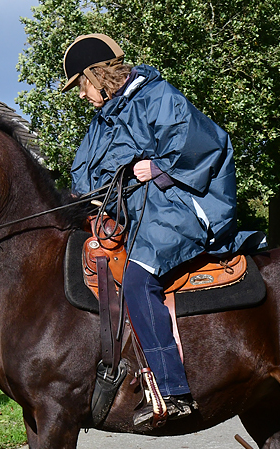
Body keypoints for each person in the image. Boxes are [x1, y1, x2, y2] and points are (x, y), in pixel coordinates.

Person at [63, 34, 266, 425]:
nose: (82, 95)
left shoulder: (159, 97)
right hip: (135, 214)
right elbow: (84, 175)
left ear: (96, 75)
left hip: (180, 207)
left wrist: (158, 169)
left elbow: (210, 146)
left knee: (139, 281)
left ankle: (174, 393)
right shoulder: (103, 120)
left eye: (81, 85)